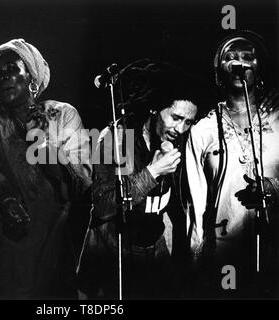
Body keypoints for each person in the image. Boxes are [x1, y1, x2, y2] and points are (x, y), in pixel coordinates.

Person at [76, 59, 209, 299]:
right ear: (155, 109)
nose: (180, 128)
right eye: (176, 118)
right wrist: (152, 172)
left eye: (188, 122)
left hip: (152, 255)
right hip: (111, 257)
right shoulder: (118, 137)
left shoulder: (179, 144)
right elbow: (103, 206)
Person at [0, 38, 92, 299]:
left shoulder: (62, 114)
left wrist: (38, 136)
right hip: (11, 245)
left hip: (58, 240)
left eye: (12, 69)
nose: (3, 77)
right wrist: (7, 199)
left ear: (31, 77)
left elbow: (81, 182)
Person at [186, 30, 279, 298]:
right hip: (227, 252)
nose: (239, 62)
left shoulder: (277, 118)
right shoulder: (203, 131)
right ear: (219, 71)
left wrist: (274, 186)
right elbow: (197, 204)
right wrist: (197, 260)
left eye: (248, 56)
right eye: (231, 57)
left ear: (260, 68)